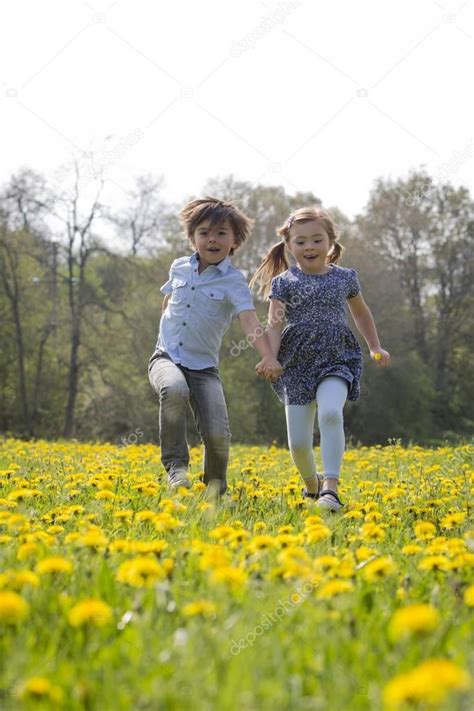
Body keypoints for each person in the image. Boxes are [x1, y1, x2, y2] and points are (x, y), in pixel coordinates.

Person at [250, 207, 390, 512]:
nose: (309, 247)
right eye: (301, 241)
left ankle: (332, 488)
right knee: (298, 444)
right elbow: (274, 324)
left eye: (317, 240)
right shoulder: (283, 282)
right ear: (289, 246)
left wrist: (375, 346)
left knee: (330, 414)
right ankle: (313, 487)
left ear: (330, 242)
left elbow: (361, 313)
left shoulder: (345, 278)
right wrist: (270, 357)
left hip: (337, 357)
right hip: (296, 362)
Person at [148, 196, 282, 495]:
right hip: (166, 356)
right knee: (174, 389)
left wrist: (268, 356)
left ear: (235, 241)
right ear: (192, 237)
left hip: (204, 368)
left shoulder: (234, 282)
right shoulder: (179, 268)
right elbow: (168, 301)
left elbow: (249, 320)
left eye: (221, 233)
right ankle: (176, 468)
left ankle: (215, 489)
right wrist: (167, 328)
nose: (212, 239)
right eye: (204, 232)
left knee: (218, 435)